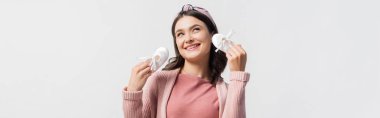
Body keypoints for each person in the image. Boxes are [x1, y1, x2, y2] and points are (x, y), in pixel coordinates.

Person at [123, 4, 250, 118]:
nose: (188, 39)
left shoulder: (227, 92)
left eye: (196, 29)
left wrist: (237, 76)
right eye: (180, 34)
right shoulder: (159, 81)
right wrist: (133, 91)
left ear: (212, 35)